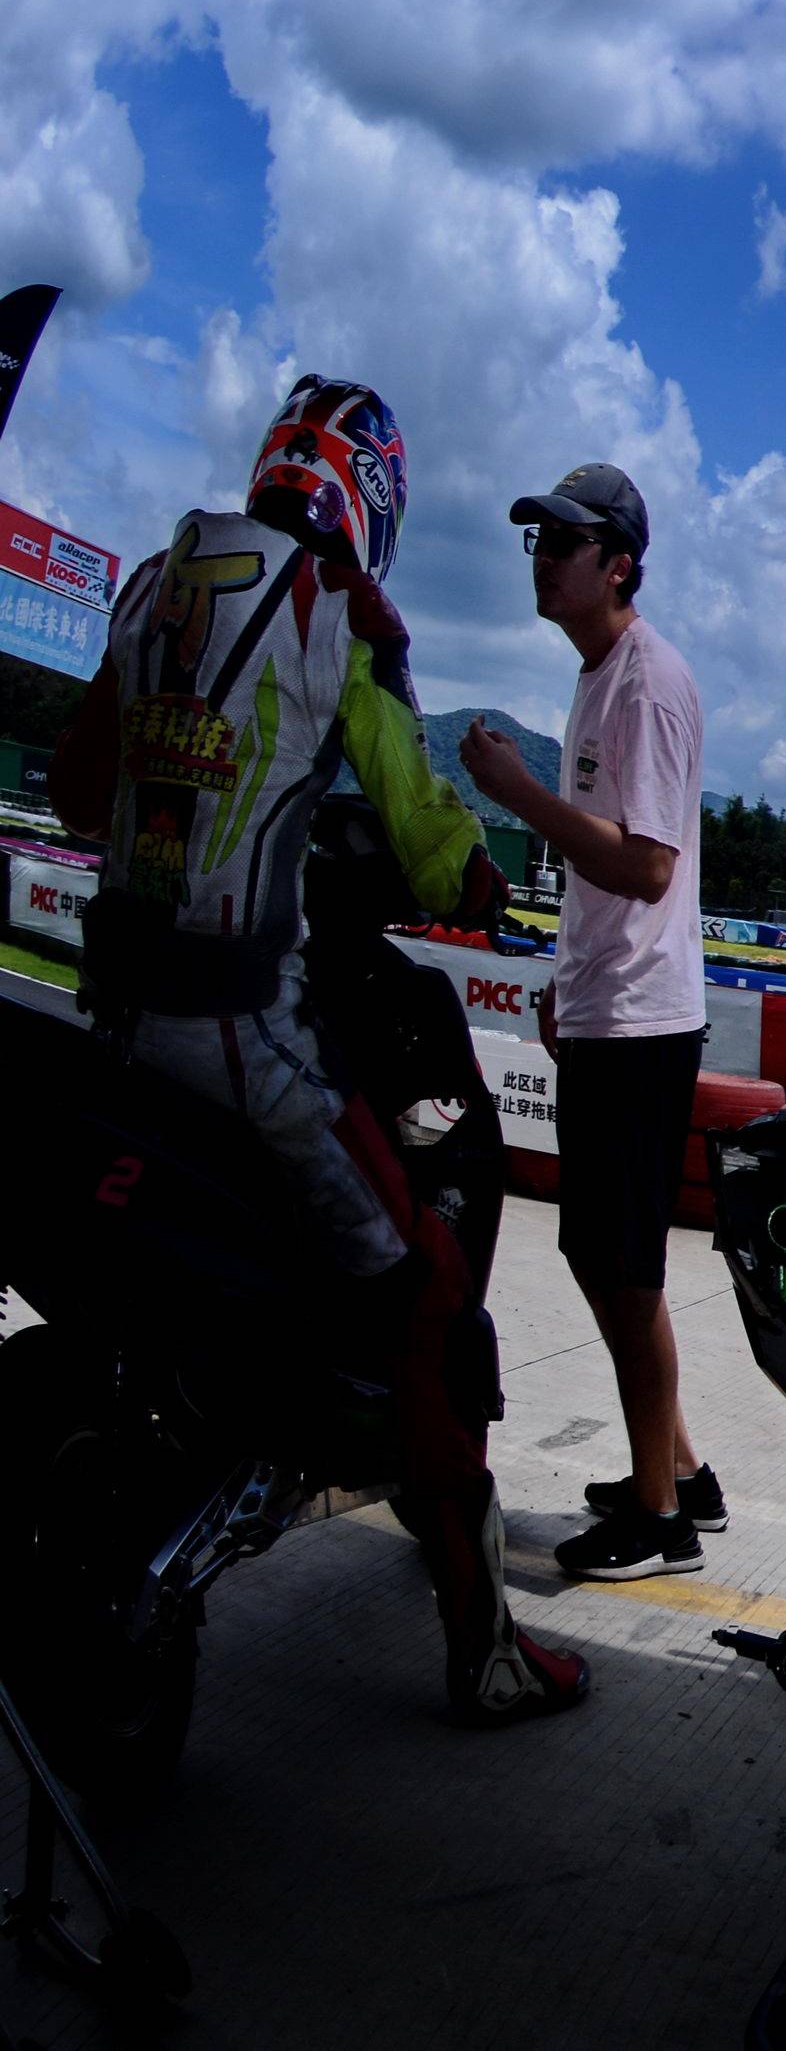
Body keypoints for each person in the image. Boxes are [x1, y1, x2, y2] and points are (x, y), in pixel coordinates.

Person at [52, 376, 590, 1725]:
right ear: (373, 498)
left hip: (113, 1024)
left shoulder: (149, 583)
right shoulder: (334, 614)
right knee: (428, 1288)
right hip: (243, 1038)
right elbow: (423, 833)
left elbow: (75, 791)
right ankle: (485, 1649)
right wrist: (472, 874)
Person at [458, 463, 714, 1582]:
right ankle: (682, 1470)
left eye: (566, 541)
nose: (545, 558)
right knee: (596, 1252)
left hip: (645, 1022)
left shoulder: (645, 684)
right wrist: (571, 977)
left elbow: (648, 866)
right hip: (612, 1005)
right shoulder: (602, 672)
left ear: (620, 564)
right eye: (539, 539)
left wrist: (516, 794)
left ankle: (660, 1519)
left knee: (626, 1266)